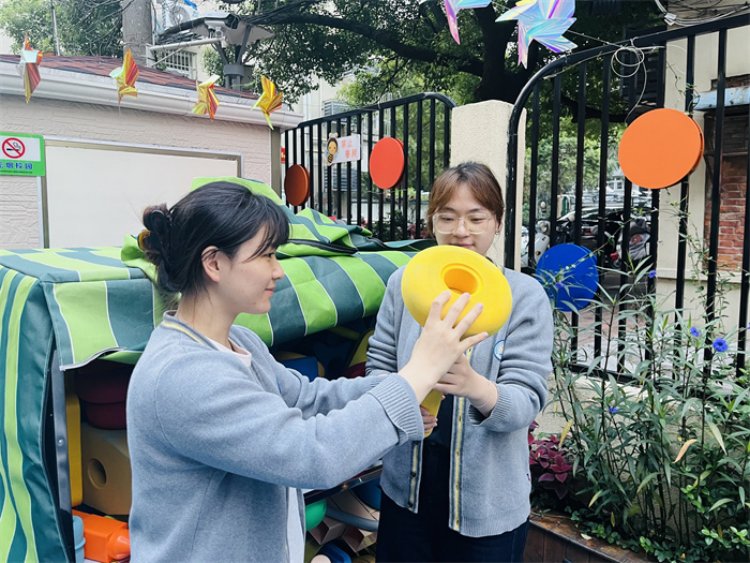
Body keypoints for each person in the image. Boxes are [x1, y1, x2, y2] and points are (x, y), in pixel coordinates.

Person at [126, 180, 488, 563]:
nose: (278, 271)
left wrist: (391, 387)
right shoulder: (184, 375)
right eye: (266, 255)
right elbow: (313, 455)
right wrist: (418, 373)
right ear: (214, 263)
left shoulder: (239, 341)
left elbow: (306, 398)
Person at [367, 162, 553, 562]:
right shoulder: (403, 284)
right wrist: (398, 401)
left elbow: (527, 400)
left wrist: (474, 386)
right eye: (447, 217)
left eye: (476, 218)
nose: (461, 231)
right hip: (405, 498)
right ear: (432, 221)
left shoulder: (523, 296)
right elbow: (378, 364)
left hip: (487, 510)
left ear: (498, 222)